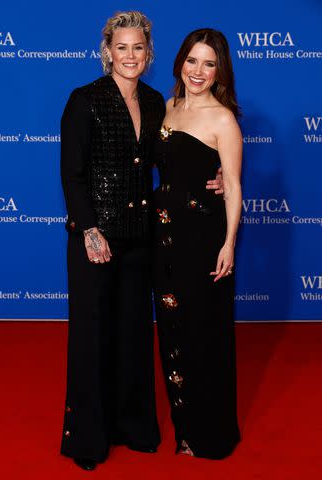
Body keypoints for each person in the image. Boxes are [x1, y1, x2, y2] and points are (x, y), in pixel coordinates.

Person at [60, 12, 223, 470]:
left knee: (133, 337)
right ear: (107, 52)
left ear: (149, 54)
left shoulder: (156, 103)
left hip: (142, 238)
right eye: (121, 47)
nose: (129, 56)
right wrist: (90, 230)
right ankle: (88, 439)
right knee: (93, 339)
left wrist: (221, 177)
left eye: (138, 48)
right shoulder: (84, 100)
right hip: (95, 240)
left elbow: (176, 156)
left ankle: (134, 427)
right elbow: (71, 176)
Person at [152, 28, 242, 459]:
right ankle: (183, 429)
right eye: (192, 60)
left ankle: (211, 433)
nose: (199, 71)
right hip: (163, 241)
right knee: (172, 335)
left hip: (203, 241)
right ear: (180, 62)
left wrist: (228, 244)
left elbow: (236, 187)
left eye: (209, 63)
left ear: (219, 69)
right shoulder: (167, 107)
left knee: (204, 336)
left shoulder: (223, 118)